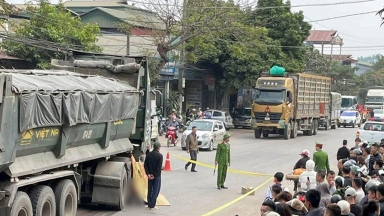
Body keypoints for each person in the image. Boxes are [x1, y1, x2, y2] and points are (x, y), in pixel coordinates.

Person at [144, 142, 163, 210]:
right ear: (158, 147)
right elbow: (158, 167)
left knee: (150, 189)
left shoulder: (148, 155)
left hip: (149, 175)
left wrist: (148, 174)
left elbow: (145, 165)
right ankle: (152, 205)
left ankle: (149, 203)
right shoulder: (160, 156)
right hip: (157, 176)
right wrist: (154, 175)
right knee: (155, 190)